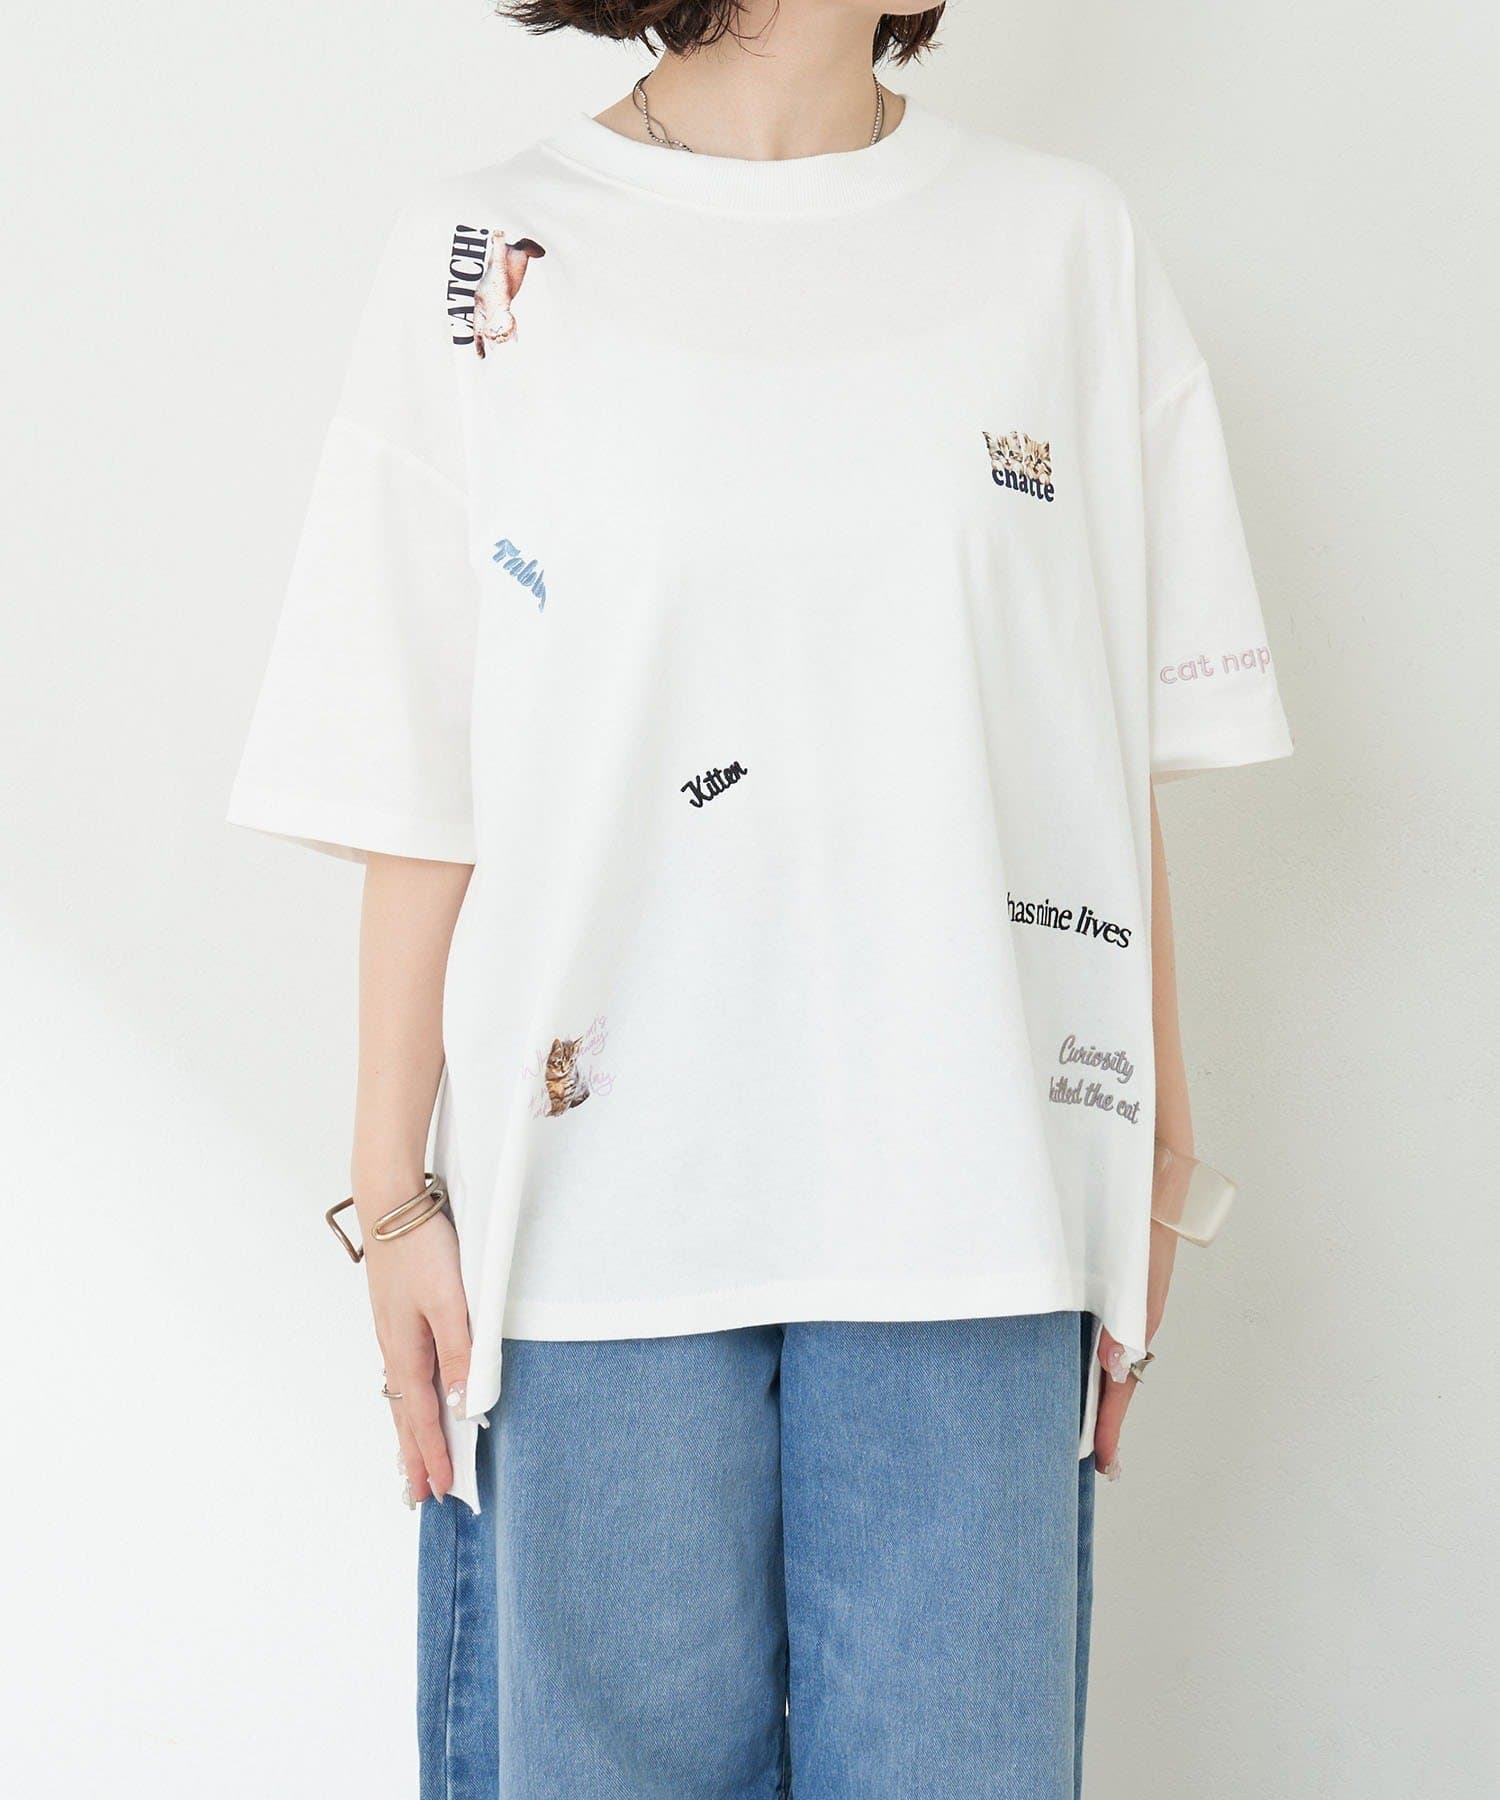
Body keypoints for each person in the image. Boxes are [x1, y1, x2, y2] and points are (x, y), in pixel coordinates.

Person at [228, 2, 1292, 1792]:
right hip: (593, 1232)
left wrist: (1154, 1166)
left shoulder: (1064, 247)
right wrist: (393, 1195)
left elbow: (1100, 747)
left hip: (973, 1205)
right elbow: (420, 769)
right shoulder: (487, 254)